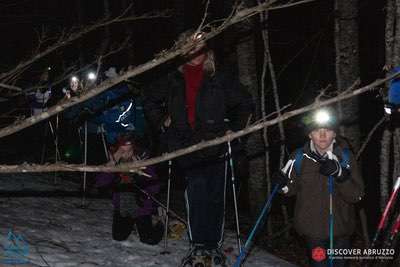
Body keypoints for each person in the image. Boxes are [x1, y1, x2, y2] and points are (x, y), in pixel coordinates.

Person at [143, 30, 253, 266]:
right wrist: (163, 120)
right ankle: (198, 245)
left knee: (215, 195)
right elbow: (149, 100)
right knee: (197, 192)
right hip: (184, 143)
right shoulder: (172, 77)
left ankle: (213, 245)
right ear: (182, 48)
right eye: (190, 45)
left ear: (207, 48)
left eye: (200, 44)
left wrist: (234, 129)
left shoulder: (220, 76)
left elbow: (245, 103)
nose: (196, 50)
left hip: (216, 143)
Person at [273, 108, 364, 267]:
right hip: (312, 232)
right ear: (310, 135)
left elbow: (357, 195)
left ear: (334, 134)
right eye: (316, 130)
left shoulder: (346, 158)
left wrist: (340, 175)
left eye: (327, 130)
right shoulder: (298, 157)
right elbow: (290, 190)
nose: (322, 135)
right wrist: (281, 184)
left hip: (341, 232)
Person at [95, 134, 164, 245]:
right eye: (122, 151)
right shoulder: (114, 164)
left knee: (149, 239)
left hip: (141, 208)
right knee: (118, 236)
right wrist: (111, 165)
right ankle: (131, 225)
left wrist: (141, 173)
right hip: (123, 208)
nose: (126, 154)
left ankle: (161, 222)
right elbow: (100, 183)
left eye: (129, 151)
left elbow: (155, 186)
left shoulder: (143, 161)